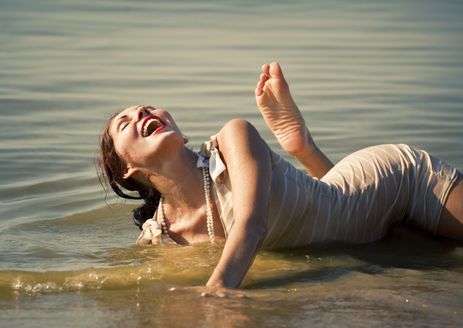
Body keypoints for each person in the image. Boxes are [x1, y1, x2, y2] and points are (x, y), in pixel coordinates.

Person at [98, 62, 463, 295]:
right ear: (129, 170)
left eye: (145, 108)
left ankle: (301, 146)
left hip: (399, 182)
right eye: (125, 123)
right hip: (352, 222)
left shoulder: (233, 137)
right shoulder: (159, 237)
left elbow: (252, 225)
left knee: (340, 201)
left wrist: (218, 289)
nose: (142, 112)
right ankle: (302, 147)